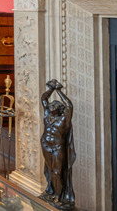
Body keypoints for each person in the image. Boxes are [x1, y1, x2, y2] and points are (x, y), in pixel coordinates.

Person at [40, 79, 76, 210]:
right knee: (50, 171)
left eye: (55, 106)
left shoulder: (64, 119)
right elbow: (44, 98)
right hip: (45, 145)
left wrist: (59, 91)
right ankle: (52, 192)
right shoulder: (47, 114)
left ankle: (59, 197)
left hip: (57, 148)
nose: (51, 106)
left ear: (60, 109)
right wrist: (51, 88)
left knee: (57, 172)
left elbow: (69, 106)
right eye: (51, 105)